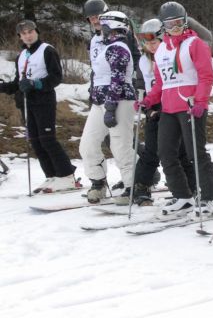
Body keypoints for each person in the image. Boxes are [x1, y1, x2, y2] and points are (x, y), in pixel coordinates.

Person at [138, 1, 213, 216]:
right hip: (168, 109)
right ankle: (183, 196)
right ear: (163, 26)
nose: (175, 28)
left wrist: (201, 102)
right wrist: (148, 100)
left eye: (178, 23)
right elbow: (160, 83)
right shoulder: (161, 51)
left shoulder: (195, 44)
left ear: (185, 21)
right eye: (170, 24)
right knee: (166, 153)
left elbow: (206, 76)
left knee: (196, 153)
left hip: (190, 106)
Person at [0, 20, 79, 192]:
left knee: (47, 139)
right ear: (20, 36)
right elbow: (18, 83)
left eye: (30, 31)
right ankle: (51, 176)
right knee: (35, 141)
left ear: (36, 32)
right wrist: (4, 87)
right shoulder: (22, 55)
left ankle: (66, 176)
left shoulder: (47, 50)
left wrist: (36, 84)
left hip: (44, 100)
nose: (28, 35)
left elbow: (56, 77)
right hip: (27, 103)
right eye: (24, 33)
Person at [131, 19, 193, 206]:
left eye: (154, 41)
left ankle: (188, 187)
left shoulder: (172, 54)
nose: (150, 46)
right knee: (152, 150)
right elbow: (142, 86)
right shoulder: (143, 61)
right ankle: (142, 186)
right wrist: (146, 106)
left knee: (180, 151)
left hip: (173, 107)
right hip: (154, 109)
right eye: (147, 42)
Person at [78, 11, 137, 204]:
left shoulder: (118, 48)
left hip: (118, 101)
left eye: (103, 26)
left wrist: (111, 105)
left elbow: (118, 78)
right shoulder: (107, 46)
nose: (100, 29)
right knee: (88, 143)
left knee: (120, 145)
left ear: (109, 27)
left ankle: (133, 185)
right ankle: (98, 182)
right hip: (100, 101)